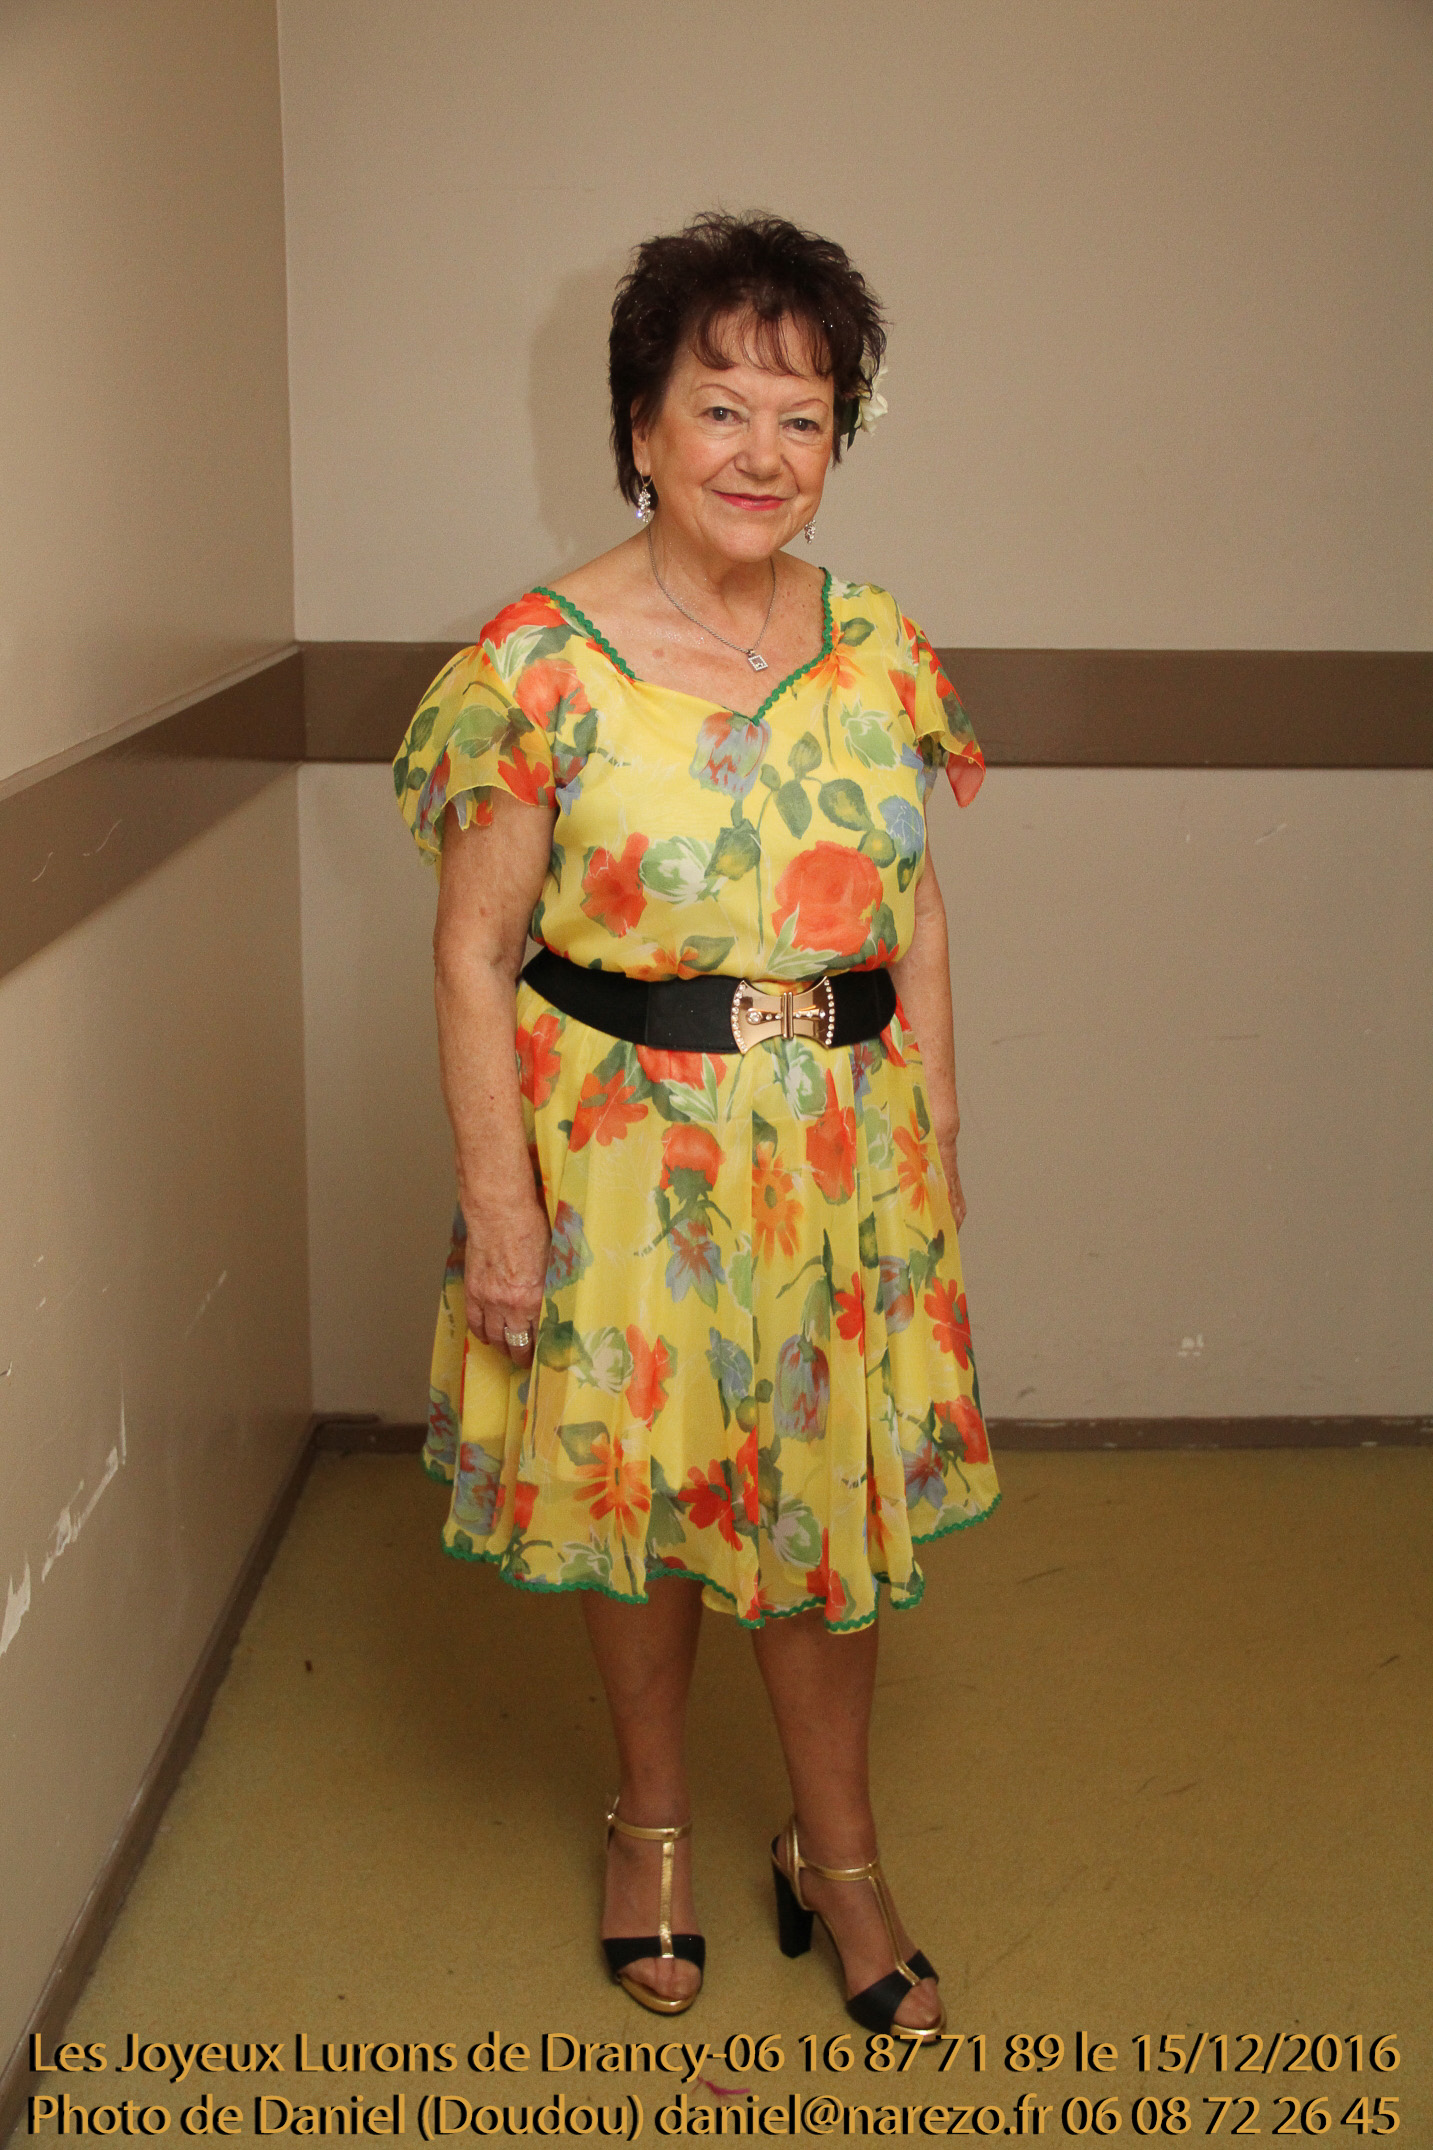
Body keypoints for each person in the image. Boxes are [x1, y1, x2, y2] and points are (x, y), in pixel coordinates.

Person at [393, 212, 999, 2036]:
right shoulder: (536, 662)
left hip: (836, 1160)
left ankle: (841, 1851)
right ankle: (648, 1821)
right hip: (618, 1156)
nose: (759, 453)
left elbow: (912, 906)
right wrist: (501, 1208)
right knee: (643, 1513)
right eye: (719, 407)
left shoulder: (876, 643)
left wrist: (934, 1137)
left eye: (802, 418)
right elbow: (471, 947)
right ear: (640, 428)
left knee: (824, 1517)